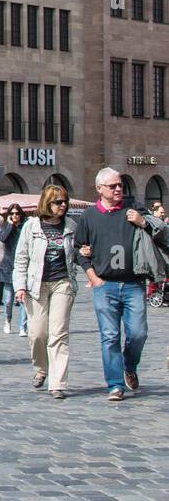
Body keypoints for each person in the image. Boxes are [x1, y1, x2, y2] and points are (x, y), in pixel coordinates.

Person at [73, 167, 168, 402]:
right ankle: (115, 385)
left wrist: (143, 221)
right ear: (99, 189)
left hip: (134, 283)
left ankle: (129, 365)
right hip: (105, 285)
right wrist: (92, 276)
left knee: (138, 333)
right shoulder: (89, 216)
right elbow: (78, 249)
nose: (118, 189)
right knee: (110, 336)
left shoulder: (133, 208)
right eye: (113, 186)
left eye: (120, 185)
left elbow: (162, 233)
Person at [11, 184, 80, 399]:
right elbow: (21, 258)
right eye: (58, 202)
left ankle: (57, 383)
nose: (63, 205)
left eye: (65, 201)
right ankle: (41, 368)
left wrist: (84, 252)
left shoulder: (70, 225)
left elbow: (77, 253)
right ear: (46, 204)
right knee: (38, 333)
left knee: (59, 333)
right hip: (36, 284)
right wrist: (19, 286)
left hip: (63, 283)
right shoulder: (32, 226)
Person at [0, 204, 29, 336]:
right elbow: (2, 238)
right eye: (12, 213)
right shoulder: (6, 227)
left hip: (23, 266)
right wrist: (10, 225)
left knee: (23, 299)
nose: (15, 215)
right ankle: (7, 320)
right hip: (8, 266)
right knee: (9, 299)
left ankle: (23, 326)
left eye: (17, 213)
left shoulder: (25, 227)